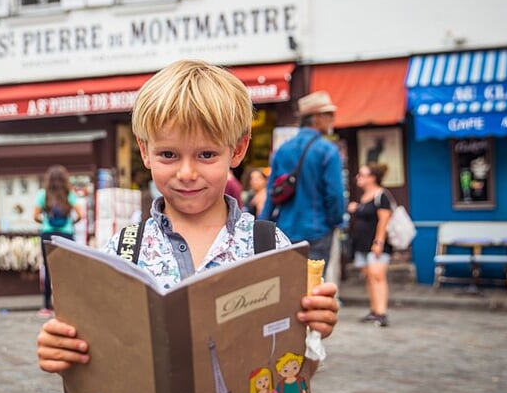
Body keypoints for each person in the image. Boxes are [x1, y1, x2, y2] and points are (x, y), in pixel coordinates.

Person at [37, 59, 339, 374]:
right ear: (144, 150)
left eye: (206, 155)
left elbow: (295, 373)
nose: (186, 173)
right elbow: (100, 355)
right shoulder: (123, 251)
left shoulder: (269, 245)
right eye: (168, 155)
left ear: (237, 150)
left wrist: (314, 330)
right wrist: (64, 351)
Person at [261, 90, 345, 268]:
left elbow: (271, 194)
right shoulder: (327, 150)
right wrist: (335, 222)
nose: (333, 119)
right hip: (317, 231)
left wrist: (261, 227)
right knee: (312, 286)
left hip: (285, 231)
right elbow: (335, 195)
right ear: (315, 118)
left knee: (288, 286)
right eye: (328, 114)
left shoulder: (282, 150)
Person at [33, 164, 84, 317]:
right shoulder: (69, 194)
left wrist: (45, 222)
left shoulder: (43, 194)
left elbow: (35, 215)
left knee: (48, 270)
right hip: (66, 235)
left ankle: (46, 306)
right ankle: (65, 305)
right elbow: (80, 214)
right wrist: (71, 223)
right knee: (66, 270)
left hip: (48, 235)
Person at [347, 162, 392, 327]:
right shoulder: (363, 196)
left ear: (372, 178)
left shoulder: (382, 195)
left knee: (377, 276)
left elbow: (384, 220)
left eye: (362, 175)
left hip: (376, 244)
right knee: (369, 278)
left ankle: (382, 312)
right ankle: (374, 310)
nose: (358, 178)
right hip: (362, 244)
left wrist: (379, 241)